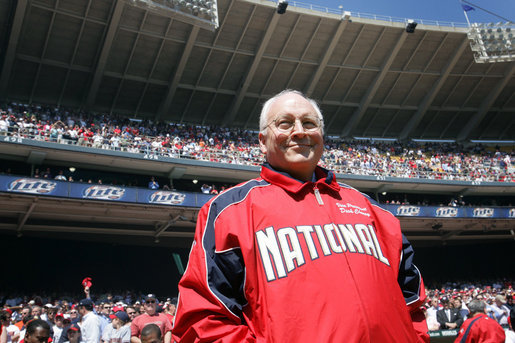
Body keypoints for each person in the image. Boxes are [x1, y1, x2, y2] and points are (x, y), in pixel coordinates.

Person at [172, 89, 429, 342]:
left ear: (321, 136)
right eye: (285, 123)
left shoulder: (373, 210)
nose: (299, 131)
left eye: (309, 123)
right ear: (262, 141)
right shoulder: (229, 211)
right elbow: (202, 319)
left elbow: (412, 299)